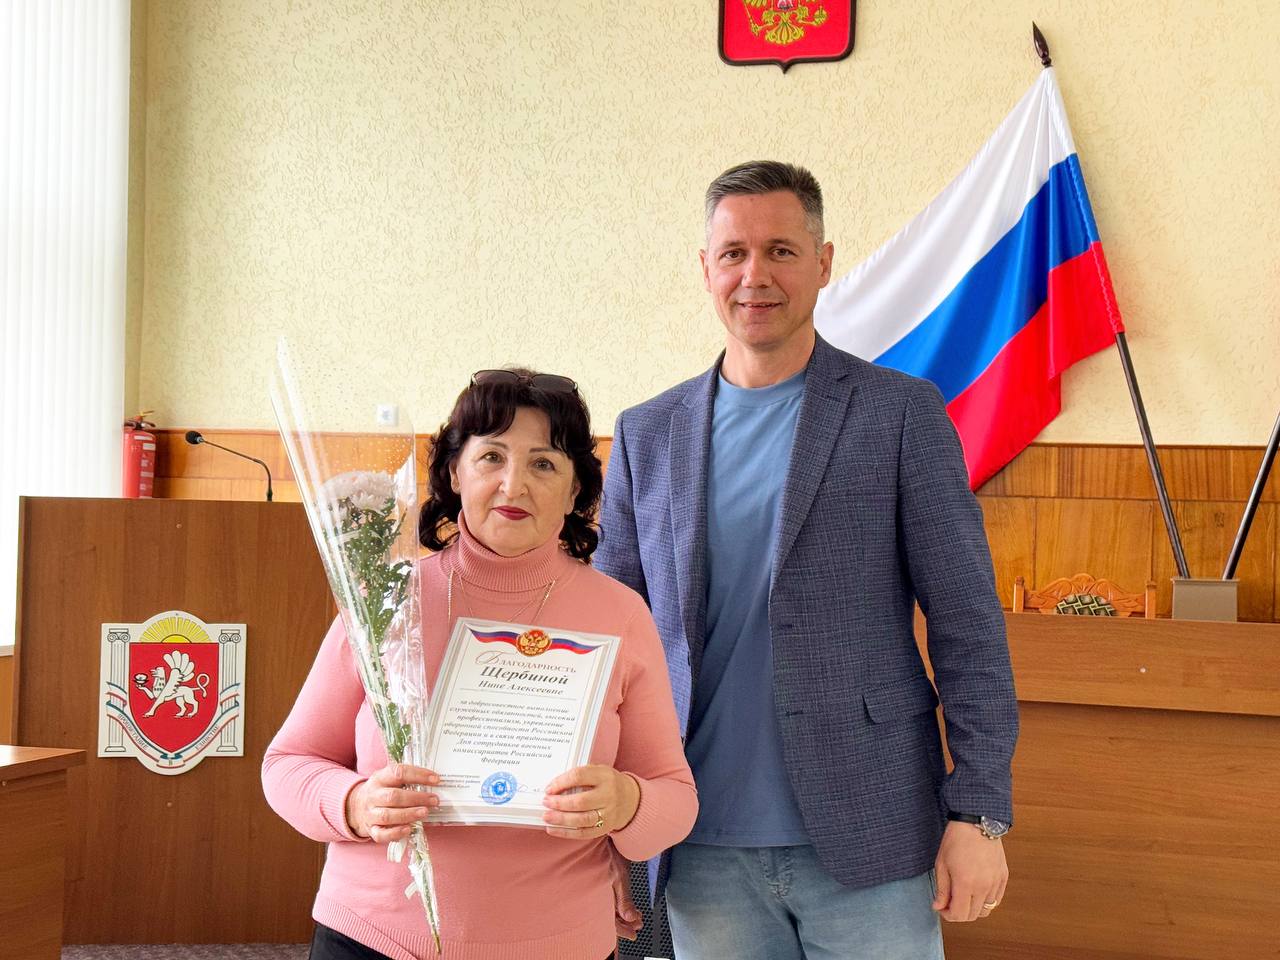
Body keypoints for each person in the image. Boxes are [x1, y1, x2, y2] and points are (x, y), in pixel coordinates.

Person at [595, 160, 1018, 960]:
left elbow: (968, 624)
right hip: (699, 848)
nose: (755, 275)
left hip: (872, 839)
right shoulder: (647, 435)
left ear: (823, 264)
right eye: (734, 253)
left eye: (781, 251)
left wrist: (979, 811)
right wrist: (611, 833)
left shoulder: (900, 415)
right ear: (706, 269)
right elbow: (607, 649)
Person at [263, 369, 697, 960]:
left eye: (543, 463)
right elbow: (287, 764)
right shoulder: (386, 598)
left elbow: (675, 799)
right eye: (492, 456)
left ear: (575, 490)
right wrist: (355, 804)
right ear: (453, 473)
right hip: (373, 936)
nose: (513, 485)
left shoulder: (620, 614)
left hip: (559, 942)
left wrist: (626, 803)